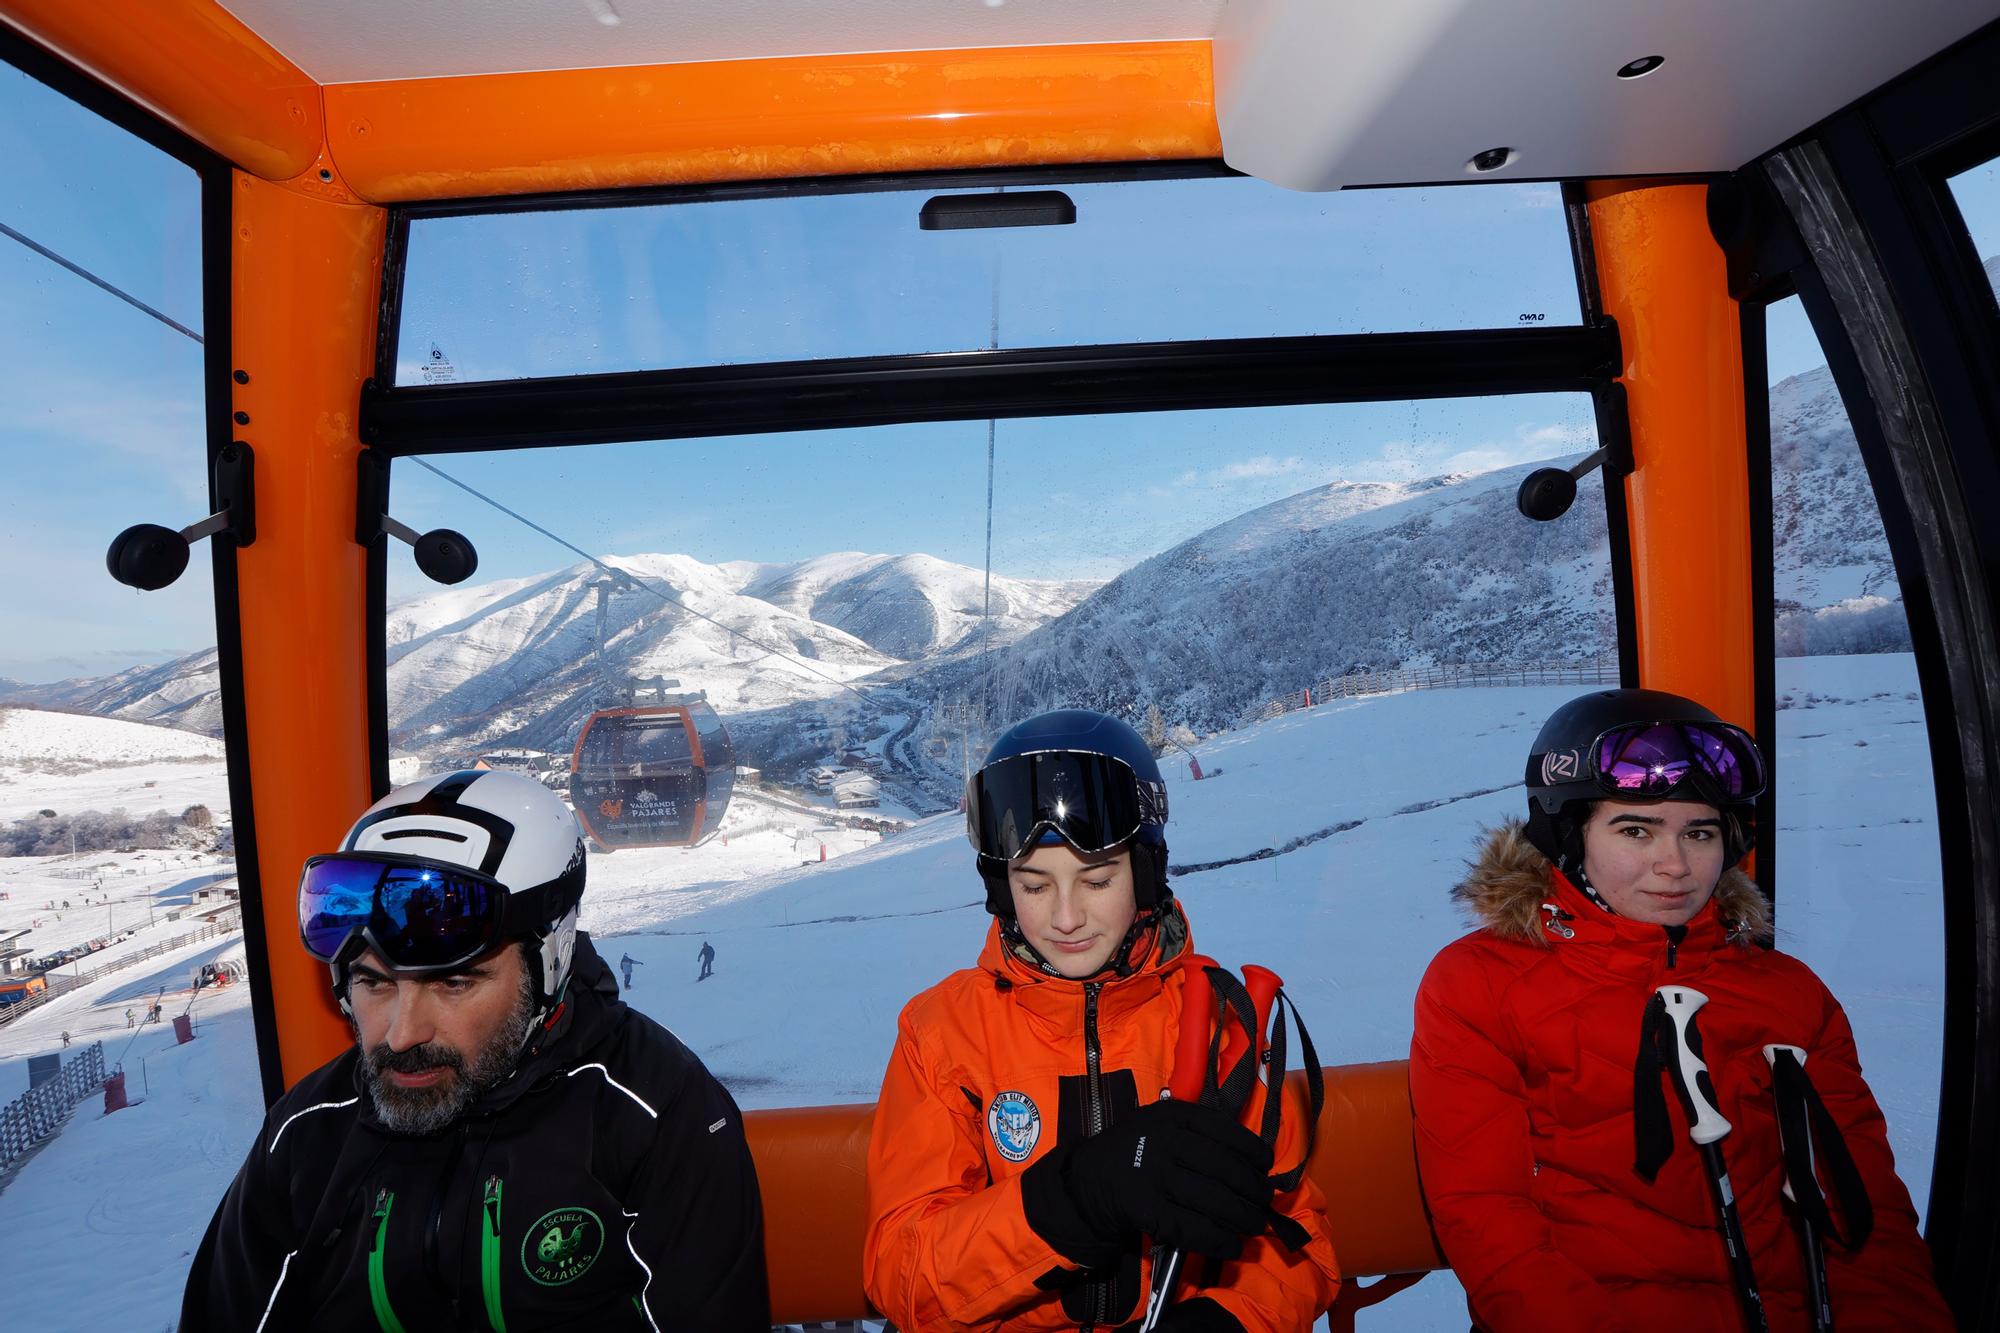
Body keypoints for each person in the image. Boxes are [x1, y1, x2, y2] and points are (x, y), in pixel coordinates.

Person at [1410, 688, 1950, 1330]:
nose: (1675, 865)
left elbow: (1868, 1216)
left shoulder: (1790, 994)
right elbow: (1487, 1216)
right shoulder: (1480, 982)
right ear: (1568, 835)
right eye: (1636, 829)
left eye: (1699, 832)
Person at [181, 770, 768, 1331]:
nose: (400, 1035)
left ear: (548, 964)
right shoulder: (309, 1134)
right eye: (373, 982)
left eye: (453, 983)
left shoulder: (652, 1112)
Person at [865, 710, 1339, 1331]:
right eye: (1034, 887)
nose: (1066, 918)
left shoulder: (1219, 1027)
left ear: (1144, 876)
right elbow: (902, 1278)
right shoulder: (943, 1033)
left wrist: (1229, 1321)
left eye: (1096, 880)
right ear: (1003, 891)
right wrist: (1073, 1200)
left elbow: (1295, 1241)